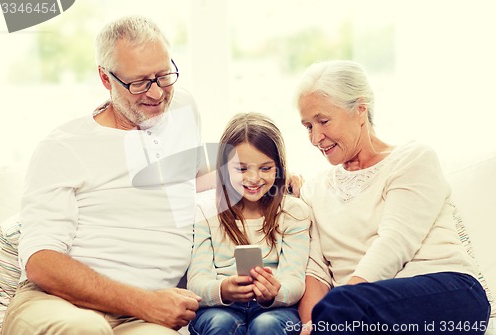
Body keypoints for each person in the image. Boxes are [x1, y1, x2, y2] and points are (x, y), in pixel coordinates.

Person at [2, 15, 206, 335]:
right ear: (105, 78)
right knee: (86, 329)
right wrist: (145, 302)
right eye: (139, 82)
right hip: (61, 304)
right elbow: (41, 261)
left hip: (142, 319)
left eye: (164, 75)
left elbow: (194, 179)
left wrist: (274, 178)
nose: (156, 93)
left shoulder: (182, 107)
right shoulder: (64, 147)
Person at [294, 60, 491, 334]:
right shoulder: (314, 190)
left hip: (449, 294)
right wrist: (309, 326)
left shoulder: (412, 159)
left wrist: (336, 312)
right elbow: (316, 271)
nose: (316, 138)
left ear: (360, 110)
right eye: (307, 127)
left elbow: (394, 241)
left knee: (340, 306)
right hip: (360, 314)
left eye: (323, 121)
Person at [186, 112, 311, 335]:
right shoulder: (207, 212)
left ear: (279, 168)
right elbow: (197, 281)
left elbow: (295, 280)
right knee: (219, 324)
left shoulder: (293, 212)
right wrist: (222, 290)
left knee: (266, 326)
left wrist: (276, 291)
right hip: (220, 308)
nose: (253, 178)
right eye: (242, 169)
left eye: (265, 168)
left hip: (275, 309)